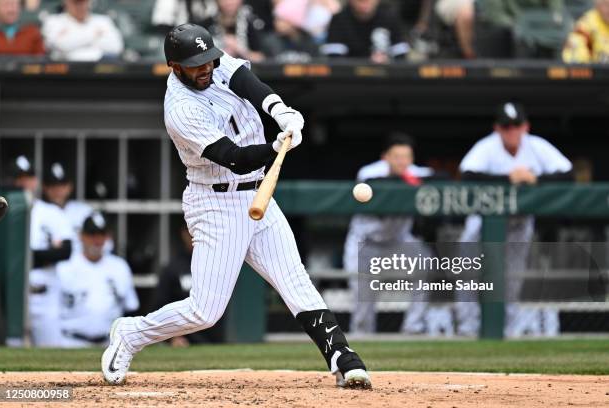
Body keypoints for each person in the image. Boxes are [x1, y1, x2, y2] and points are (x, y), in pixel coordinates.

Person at [101, 23, 371, 389]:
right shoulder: (180, 109)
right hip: (216, 202)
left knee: (294, 280)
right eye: (195, 65)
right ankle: (131, 333)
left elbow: (249, 84)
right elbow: (233, 157)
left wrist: (281, 110)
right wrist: (277, 147)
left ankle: (342, 356)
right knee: (204, 311)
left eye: (207, 61)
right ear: (174, 66)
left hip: (257, 194)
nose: (205, 69)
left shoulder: (213, 62)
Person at [454, 102, 573, 338]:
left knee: (511, 278)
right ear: (497, 128)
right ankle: (467, 328)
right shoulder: (487, 146)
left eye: (516, 125)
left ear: (525, 126)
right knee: (468, 274)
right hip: (483, 222)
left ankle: (507, 329)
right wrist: (507, 177)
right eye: (506, 126)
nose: (512, 131)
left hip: (519, 224)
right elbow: (467, 174)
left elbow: (567, 173)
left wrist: (535, 177)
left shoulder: (536, 146)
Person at [343, 134, 436, 335]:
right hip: (365, 243)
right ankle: (362, 337)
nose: (402, 161)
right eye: (396, 156)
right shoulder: (369, 172)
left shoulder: (414, 172)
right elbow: (375, 187)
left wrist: (414, 180)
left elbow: (440, 178)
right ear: (386, 157)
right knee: (363, 302)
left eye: (406, 157)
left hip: (399, 242)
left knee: (426, 266)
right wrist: (408, 183)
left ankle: (414, 328)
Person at [56, 213, 138, 347]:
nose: (97, 240)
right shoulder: (64, 267)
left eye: (101, 235)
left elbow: (131, 308)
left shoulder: (119, 267)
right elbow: (51, 311)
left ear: (108, 237)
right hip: (71, 342)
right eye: (92, 234)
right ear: (81, 235)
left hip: (110, 343)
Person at [28, 161, 75, 346]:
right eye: (20, 179)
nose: (24, 184)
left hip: (45, 293)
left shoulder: (50, 212)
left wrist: (28, 256)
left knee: (50, 347)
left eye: (28, 178)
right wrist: (46, 252)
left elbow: (65, 251)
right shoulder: (6, 210)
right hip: (14, 293)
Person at [40, 162, 112, 254]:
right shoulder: (37, 211)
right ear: (44, 187)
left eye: (62, 185)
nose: (57, 190)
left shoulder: (84, 211)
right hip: (50, 264)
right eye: (52, 185)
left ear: (70, 186)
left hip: (81, 264)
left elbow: (107, 244)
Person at [321, 0, 409, 62]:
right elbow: (334, 59)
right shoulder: (339, 19)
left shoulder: (389, 17)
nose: (365, 2)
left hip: (386, 79)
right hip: (350, 80)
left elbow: (401, 55)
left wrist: (388, 61)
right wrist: (366, 62)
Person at [42, 0, 124, 61]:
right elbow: (61, 45)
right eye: (75, 3)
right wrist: (94, 35)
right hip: (66, 73)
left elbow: (116, 47)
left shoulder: (103, 21)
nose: (80, 6)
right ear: (66, 3)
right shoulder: (54, 21)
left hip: (100, 72)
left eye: (83, 2)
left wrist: (72, 38)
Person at [201, 0, 267, 63]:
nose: (229, 2)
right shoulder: (208, 24)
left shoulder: (250, 22)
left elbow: (260, 58)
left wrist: (239, 49)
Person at [151, 0, 218, 34]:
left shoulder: (207, 3)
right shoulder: (167, 2)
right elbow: (162, 26)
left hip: (201, 36)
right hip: (176, 38)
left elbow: (212, 19)